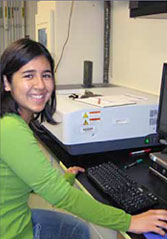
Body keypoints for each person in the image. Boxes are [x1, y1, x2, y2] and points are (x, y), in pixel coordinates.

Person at [0, 38, 167, 239]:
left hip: (13, 216)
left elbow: (19, 182)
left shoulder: (13, 122)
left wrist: (61, 181)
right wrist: (130, 221)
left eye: (46, 75)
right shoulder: (10, 129)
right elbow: (61, 197)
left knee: (77, 230)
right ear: (7, 82)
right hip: (12, 231)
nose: (40, 85)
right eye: (28, 75)